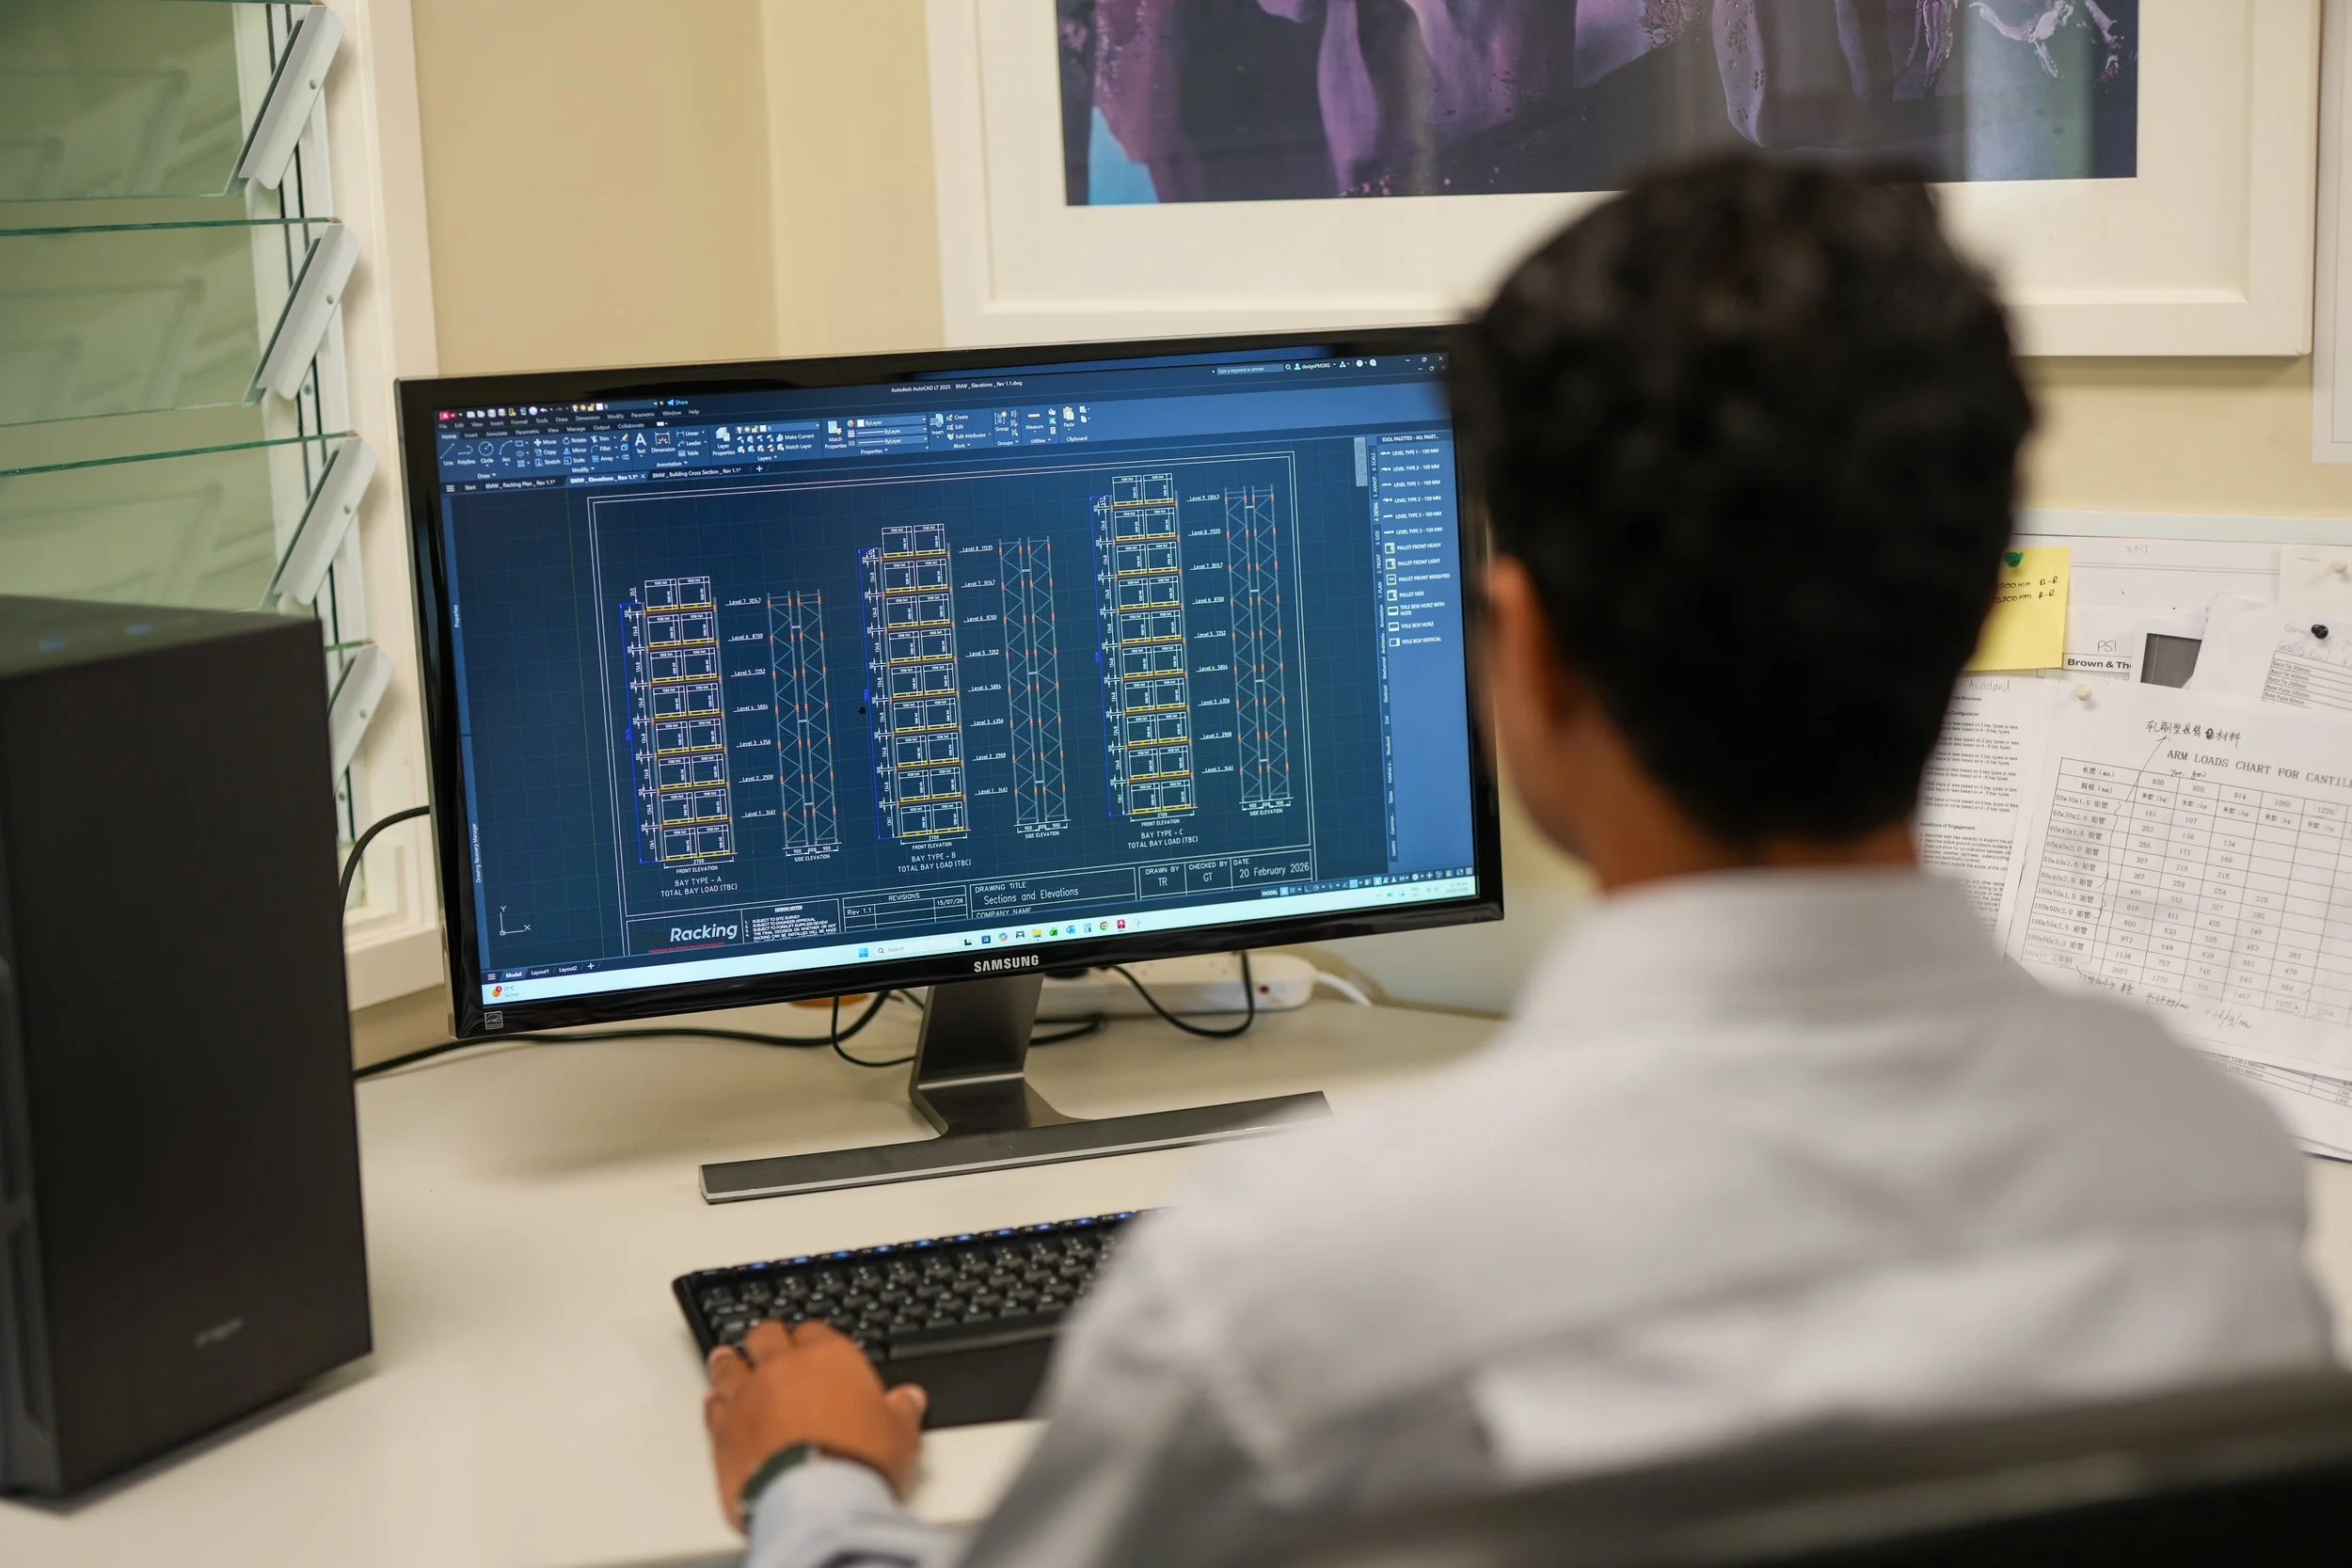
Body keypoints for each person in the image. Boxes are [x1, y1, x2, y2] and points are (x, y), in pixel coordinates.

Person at [701, 154, 2335, 1568]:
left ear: (1529, 658)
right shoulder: (2214, 1170)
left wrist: (815, 1476)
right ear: (1968, 614)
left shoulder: (1293, 1285)